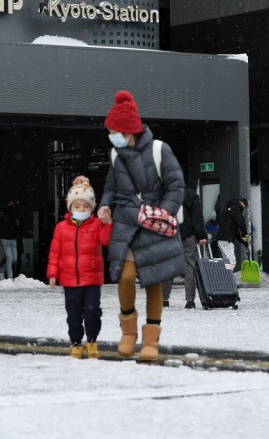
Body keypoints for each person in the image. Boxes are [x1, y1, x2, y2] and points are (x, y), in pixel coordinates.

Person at [97, 90, 185, 362]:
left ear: (128, 131)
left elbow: (176, 186)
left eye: (114, 130)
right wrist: (105, 205)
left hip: (154, 224)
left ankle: (151, 340)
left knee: (153, 281)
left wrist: (162, 214)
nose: (111, 134)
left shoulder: (160, 150)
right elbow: (111, 187)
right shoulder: (116, 154)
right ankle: (128, 333)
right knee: (124, 277)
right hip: (126, 223)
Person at [47, 176, 112, 359]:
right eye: (77, 206)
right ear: (70, 207)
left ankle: (91, 340)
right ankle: (76, 342)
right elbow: (55, 252)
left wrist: (107, 223)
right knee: (73, 314)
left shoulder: (97, 224)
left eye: (85, 206)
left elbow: (106, 240)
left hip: (91, 277)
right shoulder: (61, 228)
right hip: (69, 279)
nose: (81, 210)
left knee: (92, 311)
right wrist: (52, 273)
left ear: (92, 207)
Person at [161, 184, 207, 309]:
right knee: (190, 269)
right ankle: (190, 300)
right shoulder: (190, 194)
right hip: (187, 236)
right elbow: (197, 217)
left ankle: (164, 299)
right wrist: (201, 235)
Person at [216, 197, 248, 271]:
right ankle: (228, 279)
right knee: (231, 262)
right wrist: (244, 234)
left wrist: (243, 241)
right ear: (240, 202)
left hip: (221, 240)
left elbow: (233, 230)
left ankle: (225, 277)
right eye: (243, 203)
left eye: (244, 205)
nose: (243, 205)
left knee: (227, 262)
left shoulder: (227, 211)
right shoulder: (235, 210)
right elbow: (241, 222)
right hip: (226, 240)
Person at [0, 199, 20, 280]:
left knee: (14, 259)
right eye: (10, 204)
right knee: (9, 258)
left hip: (12, 238)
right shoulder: (2, 214)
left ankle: (1, 271)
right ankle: (10, 277)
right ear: (6, 205)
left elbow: (17, 225)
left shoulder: (14, 214)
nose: (11, 206)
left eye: (12, 204)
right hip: (5, 238)